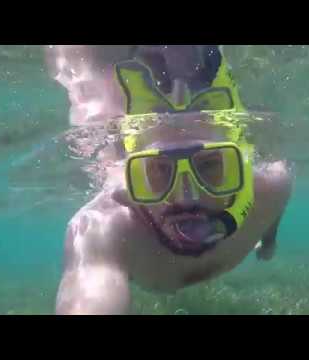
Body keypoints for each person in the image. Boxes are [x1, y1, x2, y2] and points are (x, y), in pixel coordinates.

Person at [55, 46, 292, 315]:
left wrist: (269, 240)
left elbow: (272, 216)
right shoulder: (103, 233)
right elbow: (90, 290)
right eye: (159, 171)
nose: (186, 197)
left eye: (210, 165)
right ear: (132, 180)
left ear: (240, 165)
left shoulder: (273, 189)